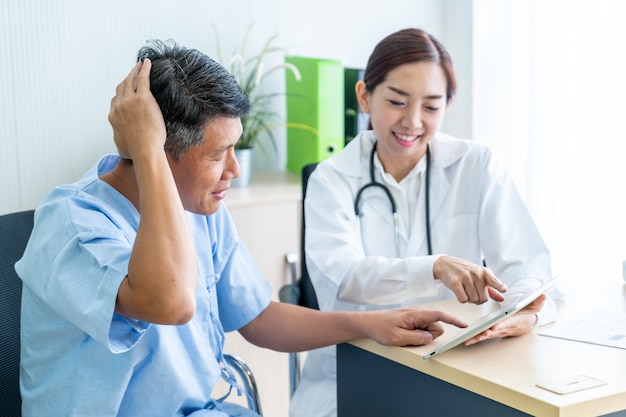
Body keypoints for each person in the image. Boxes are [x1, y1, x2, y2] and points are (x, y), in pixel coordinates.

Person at [14, 39, 468, 417]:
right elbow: (169, 302)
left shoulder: (202, 207)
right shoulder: (72, 225)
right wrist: (147, 148)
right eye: (218, 154)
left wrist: (371, 324)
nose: (233, 168)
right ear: (158, 153)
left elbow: (259, 319)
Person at [289, 28, 562, 417]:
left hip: (459, 370)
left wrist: (523, 312)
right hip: (357, 372)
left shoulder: (476, 165)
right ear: (364, 96)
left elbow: (531, 267)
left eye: (431, 107)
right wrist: (434, 266)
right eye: (398, 102)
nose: (413, 121)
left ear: (448, 105)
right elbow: (344, 276)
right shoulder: (332, 178)